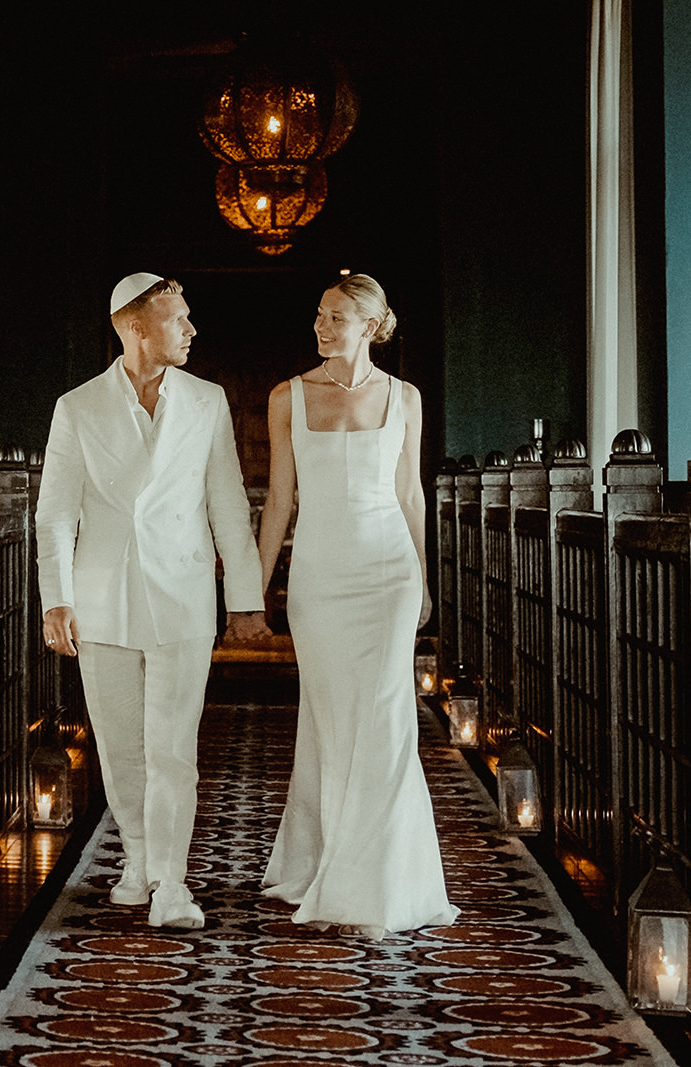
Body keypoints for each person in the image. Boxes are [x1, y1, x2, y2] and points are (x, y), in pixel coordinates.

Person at [36, 272, 268, 929]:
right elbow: (54, 513)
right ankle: (138, 859)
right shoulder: (77, 407)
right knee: (120, 745)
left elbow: (228, 504)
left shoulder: (207, 400)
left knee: (172, 746)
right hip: (101, 596)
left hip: (182, 592)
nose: (192, 329)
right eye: (178, 319)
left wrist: (243, 598)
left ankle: (171, 881)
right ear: (136, 327)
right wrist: (57, 598)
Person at [257, 272, 459, 939]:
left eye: (336, 316)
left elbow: (411, 496)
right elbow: (281, 501)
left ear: (370, 327)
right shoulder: (286, 398)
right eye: (318, 314)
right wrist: (251, 589)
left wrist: (424, 578)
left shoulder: (405, 398)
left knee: (385, 716)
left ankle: (377, 884)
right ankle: (317, 859)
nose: (321, 326)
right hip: (318, 575)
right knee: (327, 716)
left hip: (387, 573)